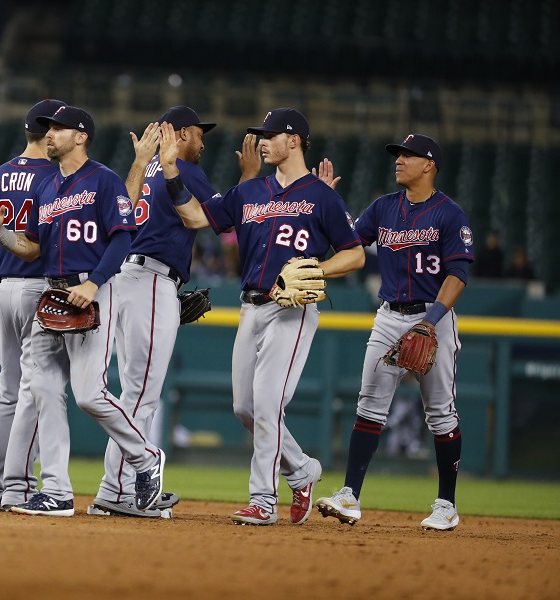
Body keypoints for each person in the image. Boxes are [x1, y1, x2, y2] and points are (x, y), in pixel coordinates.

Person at [157, 108, 365, 525]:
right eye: (261, 134)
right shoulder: (250, 191)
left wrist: (317, 270)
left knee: (268, 404)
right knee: (245, 408)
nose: (262, 141)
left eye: (271, 135)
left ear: (295, 141)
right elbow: (197, 216)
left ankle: (263, 501)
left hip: (292, 310)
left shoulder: (321, 196)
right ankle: (302, 470)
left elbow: (356, 252)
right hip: (250, 307)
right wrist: (169, 172)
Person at [0, 105, 166, 516]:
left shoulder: (103, 179)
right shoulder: (47, 189)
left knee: (89, 396)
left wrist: (94, 283)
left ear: (80, 136)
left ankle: (146, 456)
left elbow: (122, 238)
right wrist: (1, 233)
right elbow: (33, 248)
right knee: (42, 389)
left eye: (58, 129)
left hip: (95, 289)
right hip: (53, 291)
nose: (49, 134)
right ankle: (58, 492)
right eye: (48, 128)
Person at [89, 105, 261, 518]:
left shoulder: (143, 168)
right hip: (151, 282)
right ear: (181, 135)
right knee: (142, 396)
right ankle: (121, 488)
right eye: (200, 134)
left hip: (126, 279)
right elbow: (218, 220)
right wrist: (249, 178)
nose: (203, 143)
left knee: (133, 393)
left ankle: (117, 488)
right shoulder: (183, 168)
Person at [315, 133, 475, 531]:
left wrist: (431, 320)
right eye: (398, 155)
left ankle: (446, 504)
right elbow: (348, 243)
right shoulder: (384, 208)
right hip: (388, 315)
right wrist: (325, 203)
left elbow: (458, 275)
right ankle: (350, 496)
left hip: (432, 318)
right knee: (368, 405)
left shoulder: (449, 214)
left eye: (409, 155)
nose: (400, 160)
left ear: (430, 165)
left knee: (440, 414)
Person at [0, 98, 67, 511]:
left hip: (6, 285)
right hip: (38, 285)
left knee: (7, 392)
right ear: (49, 133)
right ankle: (16, 487)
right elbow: (46, 242)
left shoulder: (2, 173)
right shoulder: (55, 174)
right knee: (34, 390)